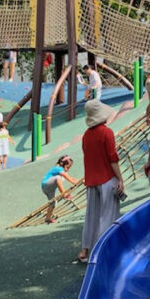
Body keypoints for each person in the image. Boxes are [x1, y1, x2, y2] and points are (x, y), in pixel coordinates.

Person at [79, 100, 125, 264]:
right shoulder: (106, 132)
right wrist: (120, 178)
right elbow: (113, 158)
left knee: (91, 214)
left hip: (91, 179)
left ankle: (85, 250)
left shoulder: (86, 135)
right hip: (107, 179)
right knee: (107, 215)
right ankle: (101, 251)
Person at [41, 155, 79, 223]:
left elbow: (71, 178)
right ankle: (64, 194)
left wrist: (79, 181)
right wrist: (73, 182)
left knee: (53, 204)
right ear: (62, 164)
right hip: (46, 184)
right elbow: (68, 178)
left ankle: (47, 218)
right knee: (58, 178)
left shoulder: (62, 171)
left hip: (50, 189)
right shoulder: (58, 169)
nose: (68, 169)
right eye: (67, 167)